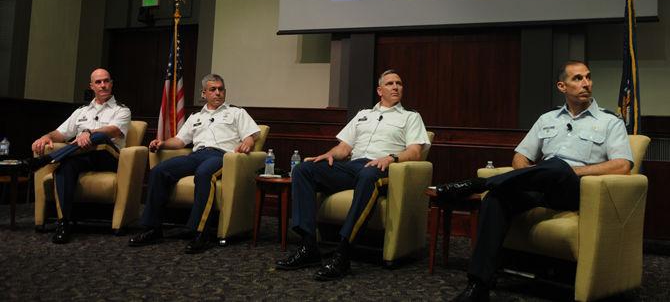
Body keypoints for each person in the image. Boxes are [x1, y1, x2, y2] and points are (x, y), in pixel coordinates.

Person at [438, 60, 634, 302]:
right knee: (496, 199)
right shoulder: (547, 118)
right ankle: (478, 285)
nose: (586, 83)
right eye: (578, 78)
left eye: (588, 77)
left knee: (556, 166)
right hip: (541, 188)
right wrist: (529, 178)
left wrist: (572, 172)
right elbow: (521, 157)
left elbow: (623, 165)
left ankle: (479, 183)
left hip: (577, 192)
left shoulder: (609, 122)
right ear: (562, 86)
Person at [276, 69, 431, 280]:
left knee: (368, 175)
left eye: (399, 83)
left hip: (384, 168)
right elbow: (344, 148)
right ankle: (308, 246)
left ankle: (343, 253)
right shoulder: (362, 115)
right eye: (390, 83)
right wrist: (328, 155)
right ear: (379, 90)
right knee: (304, 170)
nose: (396, 87)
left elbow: (415, 152)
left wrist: (391, 158)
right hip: (352, 165)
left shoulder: (411, 117)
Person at [128, 73, 260, 254]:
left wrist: (248, 142)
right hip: (196, 155)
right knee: (159, 171)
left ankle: (200, 233)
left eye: (221, 89)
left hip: (222, 156)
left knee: (204, 173)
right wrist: (163, 143)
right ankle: (152, 228)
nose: (218, 93)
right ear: (204, 93)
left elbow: (251, 135)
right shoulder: (195, 117)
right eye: (213, 89)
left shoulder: (236, 113)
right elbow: (180, 141)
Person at [26, 68, 131, 244]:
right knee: (65, 167)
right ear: (92, 86)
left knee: (100, 137)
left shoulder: (122, 110)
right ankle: (64, 223)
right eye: (98, 82)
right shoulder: (81, 112)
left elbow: (113, 130)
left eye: (106, 81)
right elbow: (60, 133)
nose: (103, 85)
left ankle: (45, 160)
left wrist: (88, 132)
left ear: (111, 84)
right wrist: (47, 137)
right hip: (83, 156)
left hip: (108, 157)